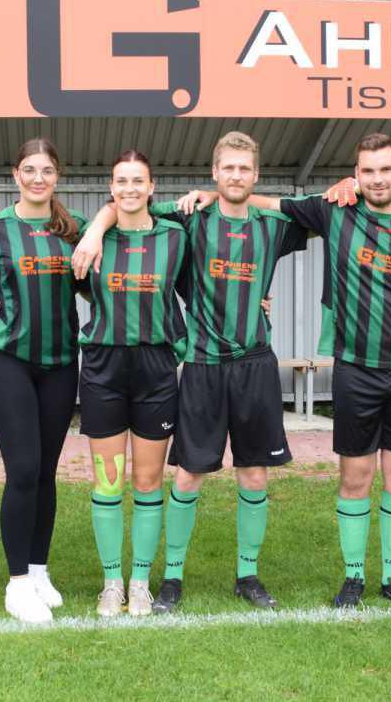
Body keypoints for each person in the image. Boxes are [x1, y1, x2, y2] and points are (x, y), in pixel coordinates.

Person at [201, 133, 391, 609]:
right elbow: (263, 199)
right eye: (367, 171)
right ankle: (354, 578)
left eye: (384, 169)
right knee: (355, 477)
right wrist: (210, 195)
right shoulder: (332, 210)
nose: (376, 179)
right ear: (356, 175)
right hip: (355, 368)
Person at [74, 131, 308, 612]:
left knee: (255, 476)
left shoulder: (274, 225)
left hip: (254, 363)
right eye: (228, 169)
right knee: (186, 476)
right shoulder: (188, 220)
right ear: (214, 173)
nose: (237, 176)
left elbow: (327, 213)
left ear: (255, 175)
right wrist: (97, 225)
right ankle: (171, 579)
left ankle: (248, 575)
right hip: (200, 363)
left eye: (245, 169)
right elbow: (129, 206)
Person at [0, 137, 88, 623]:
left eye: (46, 170)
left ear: (56, 176)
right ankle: (17, 582)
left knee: (46, 472)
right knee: (22, 469)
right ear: (15, 175)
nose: (37, 178)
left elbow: (101, 282)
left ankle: (39, 570)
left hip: (60, 362)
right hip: (7, 361)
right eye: (29, 169)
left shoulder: (76, 230)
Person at [71, 150, 187, 617]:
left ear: (152, 186)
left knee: (147, 479)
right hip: (104, 367)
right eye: (122, 181)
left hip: (156, 369)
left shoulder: (175, 237)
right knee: (107, 480)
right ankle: (111, 582)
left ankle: (140, 580)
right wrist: (98, 226)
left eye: (139, 180)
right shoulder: (91, 238)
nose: (130, 188)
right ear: (111, 186)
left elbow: (209, 285)